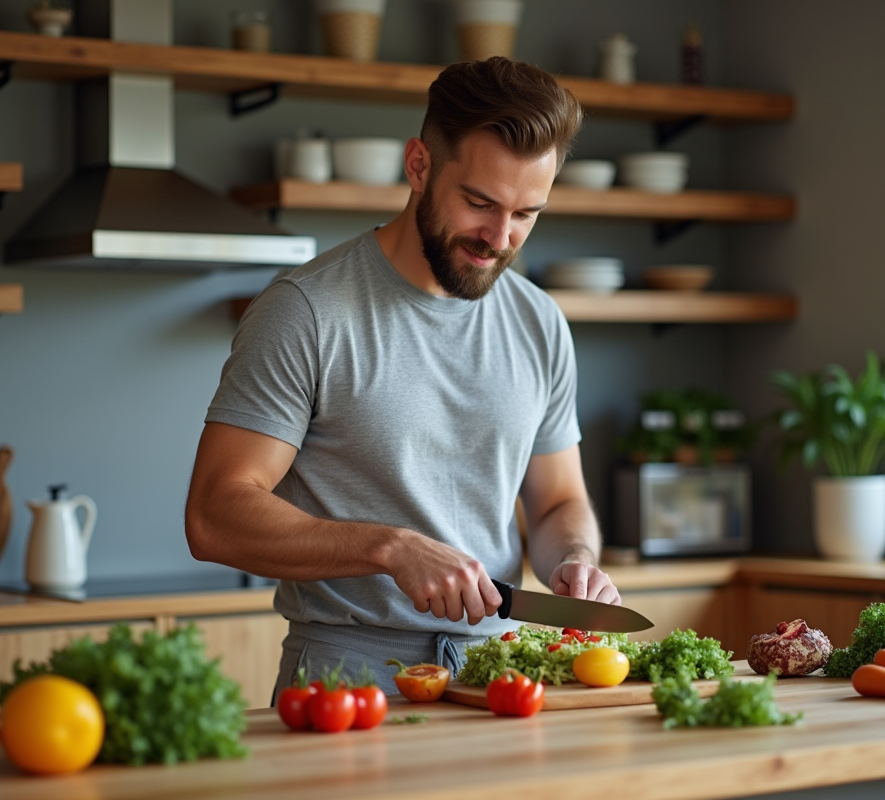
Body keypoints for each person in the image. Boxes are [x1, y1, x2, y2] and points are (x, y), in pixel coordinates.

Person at [185, 57, 623, 698]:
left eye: (527, 213)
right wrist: (388, 548)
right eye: (479, 202)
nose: (500, 238)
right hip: (347, 677)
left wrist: (575, 561)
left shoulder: (539, 322)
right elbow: (215, 515)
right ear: (418, 166)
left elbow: (557, 502)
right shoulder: (305, 310)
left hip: (500, 678)